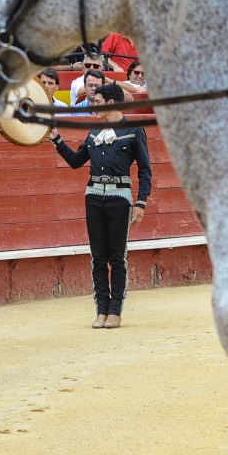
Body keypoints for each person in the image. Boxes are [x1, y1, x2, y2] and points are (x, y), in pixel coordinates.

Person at [49, 82, 152, 330]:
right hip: (93, 196)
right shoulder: (94, 132)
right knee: (98, 257)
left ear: (111, 103)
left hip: (120, 199)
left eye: (97, 102)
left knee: (116, 257)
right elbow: (76, 161)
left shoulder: (134, 130)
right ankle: (101, 310)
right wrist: (56, 139)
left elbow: (145, 170)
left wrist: (141, 202)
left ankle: (115, 310)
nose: (93, 106)